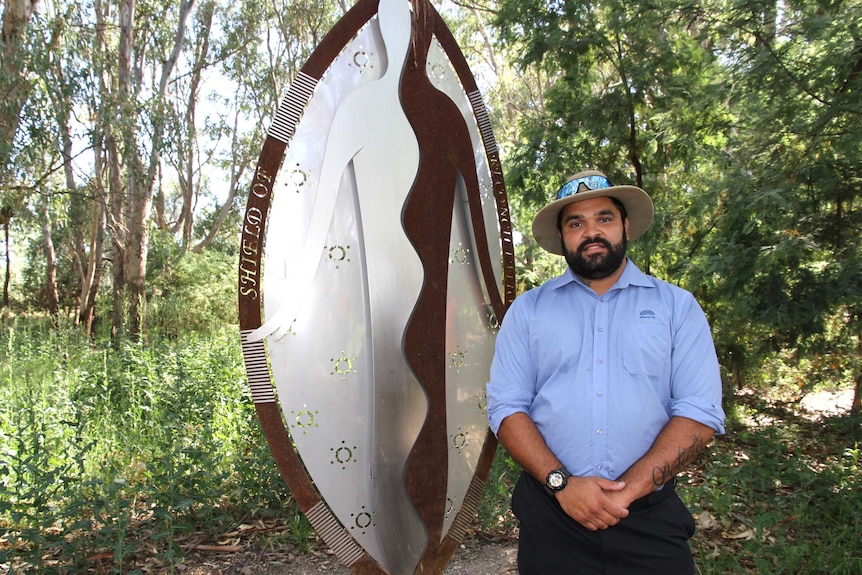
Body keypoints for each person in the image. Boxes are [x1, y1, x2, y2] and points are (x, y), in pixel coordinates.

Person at [486, 170, 725, 574]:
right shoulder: (528, 312)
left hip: (649, 521)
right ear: (562, 237)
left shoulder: (676, 308)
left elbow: (700, 414)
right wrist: (563, 485)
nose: (591, 231)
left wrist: (623, 495)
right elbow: (506, 408)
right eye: (576, 223)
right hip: (552, 519)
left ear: (626, 226)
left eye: (604, 218)